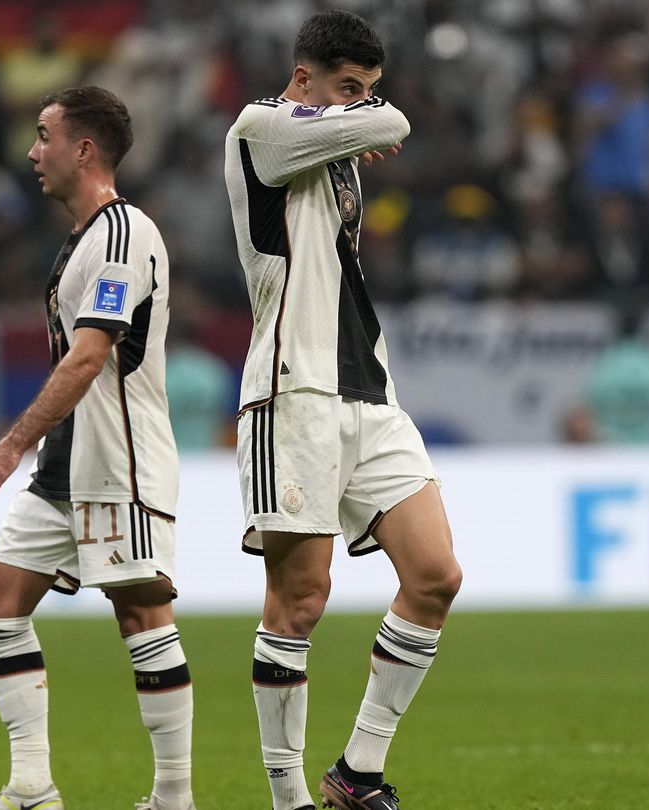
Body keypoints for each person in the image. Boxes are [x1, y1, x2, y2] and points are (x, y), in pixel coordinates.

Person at [223, 12, 463, 810]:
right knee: (301, 600)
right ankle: (288, 796)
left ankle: (356, 773)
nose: (364, 103)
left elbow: (382, 122)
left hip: (371, 391)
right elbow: (394, 121)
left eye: (367, 88)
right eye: (347, 86)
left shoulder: (335, 151)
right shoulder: (260, 127)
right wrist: (364, 117)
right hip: (295, 391)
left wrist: (349, 119)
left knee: (434, 576)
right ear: (303, 80)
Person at [0, 86, 193, 810]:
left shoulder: (124, 234)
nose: (33, 152)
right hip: (67, 461)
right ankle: (33, 785)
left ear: (83, 149)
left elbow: (90, 354)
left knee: (142, 613)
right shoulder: (85, 237)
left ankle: (173, 797)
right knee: (0, 605)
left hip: (118, 457)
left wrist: (8, 447)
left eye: (43, 136)